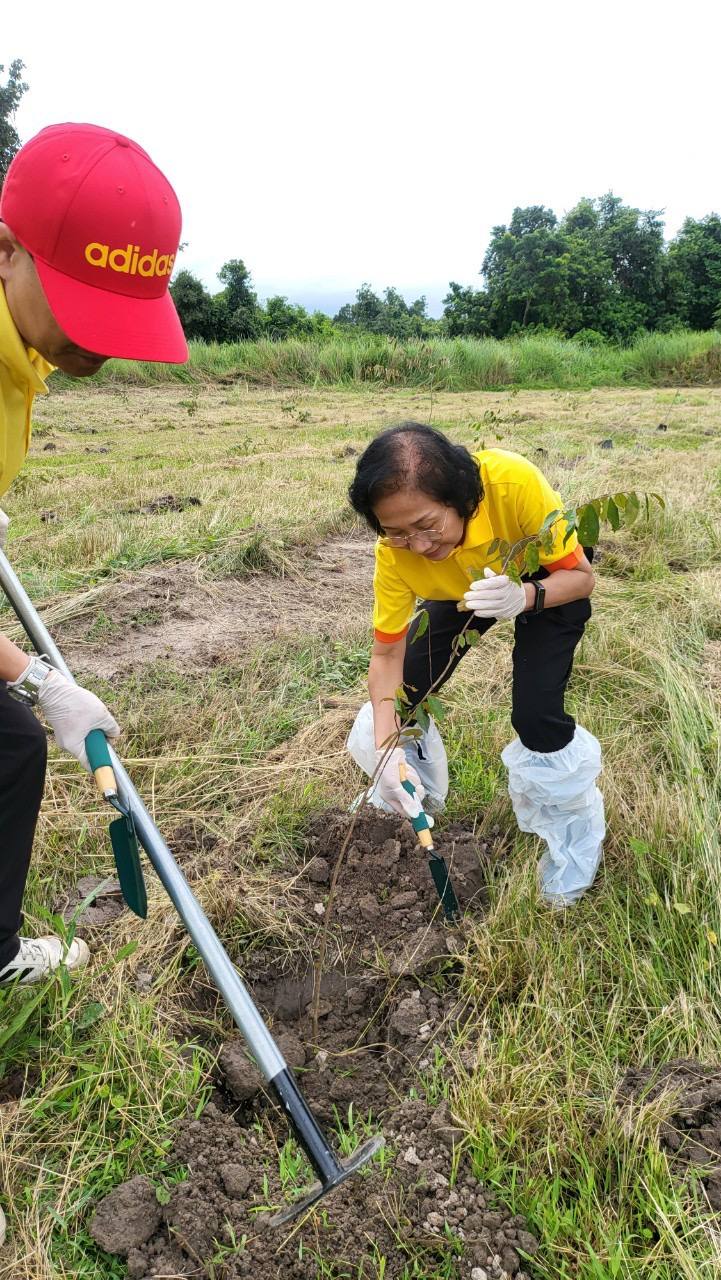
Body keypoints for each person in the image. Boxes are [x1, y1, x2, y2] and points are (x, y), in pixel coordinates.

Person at [0, 123, 188, 992]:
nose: (103, 343)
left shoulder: (21, 352)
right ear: (7, 251)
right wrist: (39, 679)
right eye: (85, 306)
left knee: (9, 747)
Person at [346, 422, 605, 909]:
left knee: (536, 712)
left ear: (461, 498)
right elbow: (386, 656)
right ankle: (409, 796)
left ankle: (571, 845)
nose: (418, 545)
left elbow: (581, 579)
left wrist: (523, 595)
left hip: (547, 577)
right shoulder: (396, 553)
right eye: (397, 532)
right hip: (460, 590)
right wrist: (385, 748)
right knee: (407, 691)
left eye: (427, 525)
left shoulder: (512, 483)